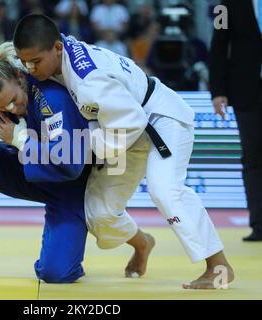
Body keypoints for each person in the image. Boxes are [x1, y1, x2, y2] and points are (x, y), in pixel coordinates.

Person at [13, 14, 235, 289]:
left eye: (35, 61)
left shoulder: (89, 81)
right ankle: (142, 243)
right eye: (25, 61)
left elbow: (132, 124)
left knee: (165, 190)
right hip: (121, 130)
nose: (30, 68)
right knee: (98, 213)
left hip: (158, 120)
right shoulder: (55, 52)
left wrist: (82, 149)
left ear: (57, 48)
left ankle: (218, 265)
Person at [0, 40, 91, 284]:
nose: (11, 109)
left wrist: (19, 139)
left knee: (55, 273)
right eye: (1, 105)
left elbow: (69, 166)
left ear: (19, 76)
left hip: (71, 181)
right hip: (32, 171)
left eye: (14, 100)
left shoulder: (53, 99)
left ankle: (140, 241)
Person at [209, 0, 262, 241]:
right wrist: (218, 90)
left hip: (246, 90)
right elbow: (219, 45)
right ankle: (259, 225)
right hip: (246, 90)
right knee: (253, 157)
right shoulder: (227, 4)